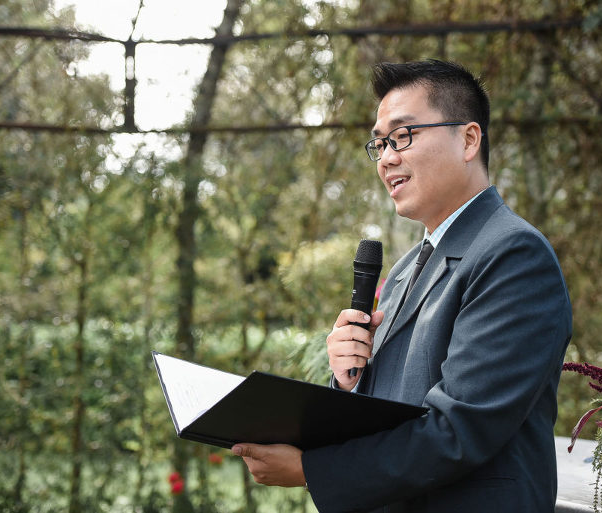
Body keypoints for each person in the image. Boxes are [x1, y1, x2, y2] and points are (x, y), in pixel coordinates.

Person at [232, 59, 572, 512]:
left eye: (403, 135)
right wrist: (350, 382)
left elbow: (458, 430)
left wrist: (312, 470)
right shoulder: (405, 269)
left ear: (469, 139)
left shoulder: (514, 254)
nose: (387, 157)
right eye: (380, 143)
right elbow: (389, 413)